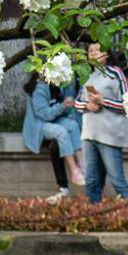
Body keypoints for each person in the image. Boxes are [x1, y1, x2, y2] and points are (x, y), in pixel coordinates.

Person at [77, 39, 128, 203]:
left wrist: (104, 102)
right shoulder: (87, 75)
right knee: (91, 181)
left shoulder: (116, 74)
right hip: (89, 134)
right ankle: (94, 215)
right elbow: (76, 103)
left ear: (107, 54)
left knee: (117, 180)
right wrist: (88, 104)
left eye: (96, 50)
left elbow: (127, 105)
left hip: (110, 134)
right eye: (90, 51)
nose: (92, 53)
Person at [21, 71, 84, 203]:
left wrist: (67, 105)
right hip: (39, 125)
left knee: (72, 125)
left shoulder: (61, 83)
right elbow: (45, 115)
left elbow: (65, 111)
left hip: (55, 119)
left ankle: (82, 164)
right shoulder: (40, 88)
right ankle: (74, 171)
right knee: (61, 132)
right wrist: (62, 106)